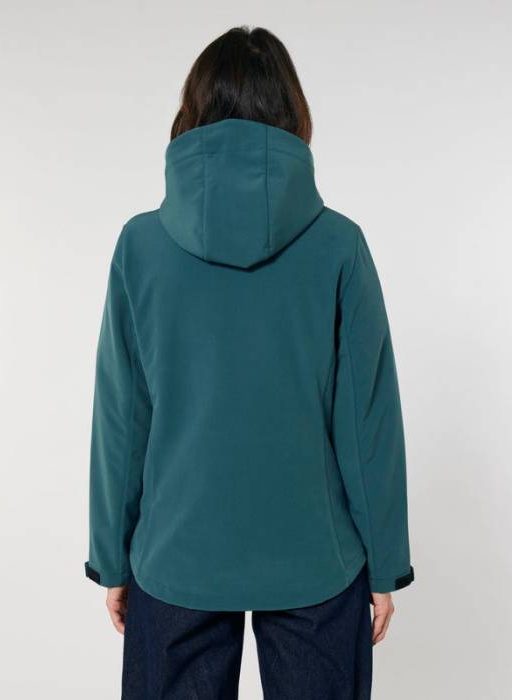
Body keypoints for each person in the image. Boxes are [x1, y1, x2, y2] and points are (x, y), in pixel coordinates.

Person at [85, 25, 413, 700]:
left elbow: (122, 416)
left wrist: (111, 556)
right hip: (316, 559)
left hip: (175, 557)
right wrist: (385, 564)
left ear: (193, 111)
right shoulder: (338, 245)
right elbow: (365, 419)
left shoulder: (141, 246)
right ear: (293, 114)